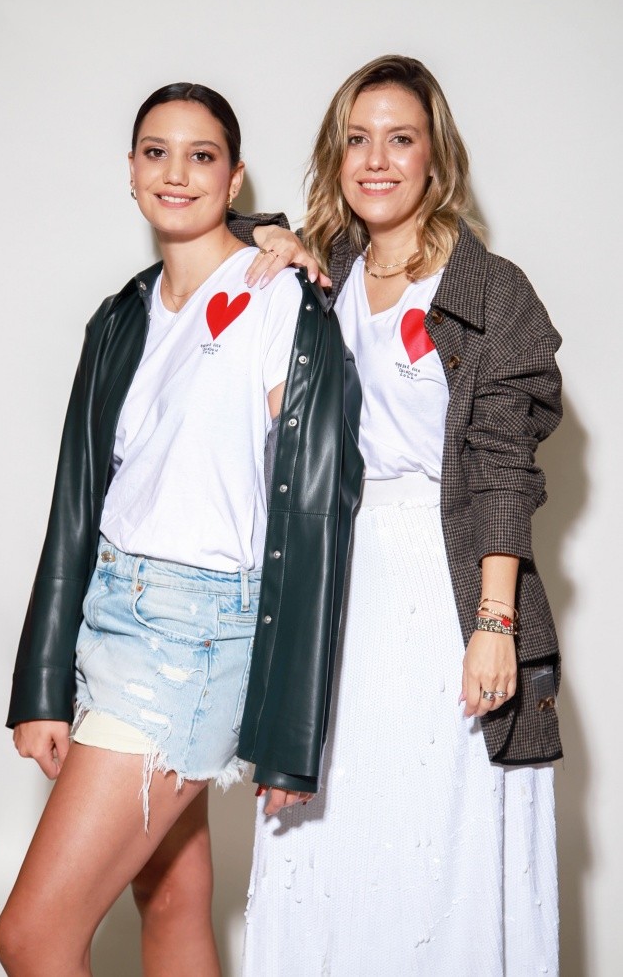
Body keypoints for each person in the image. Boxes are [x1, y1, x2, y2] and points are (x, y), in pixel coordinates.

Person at [0, 82, 362, 977]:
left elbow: (318, 509)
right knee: (170, 900)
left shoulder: (279, 296)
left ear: (235, 178)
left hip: (190, 634)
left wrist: (292, 726)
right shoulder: (124, 314)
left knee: (29, 937)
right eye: (156, 152)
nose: (176, 173)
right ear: (130, 171)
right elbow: (78, 501)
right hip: (111, 610)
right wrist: (44, 679)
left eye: (202, 156)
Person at [235, 55, 562, 975]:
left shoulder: (490, 291)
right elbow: (212, 221)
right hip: (335, 582)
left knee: (438, 825)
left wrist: (494, 624)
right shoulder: (322, 273)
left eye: (401, 139)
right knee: (330, 822)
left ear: (436, 157)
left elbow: (504, 468)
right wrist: (276, 239)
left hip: (446, 578)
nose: (376, 159)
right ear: (335, 155)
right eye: (357, 139)